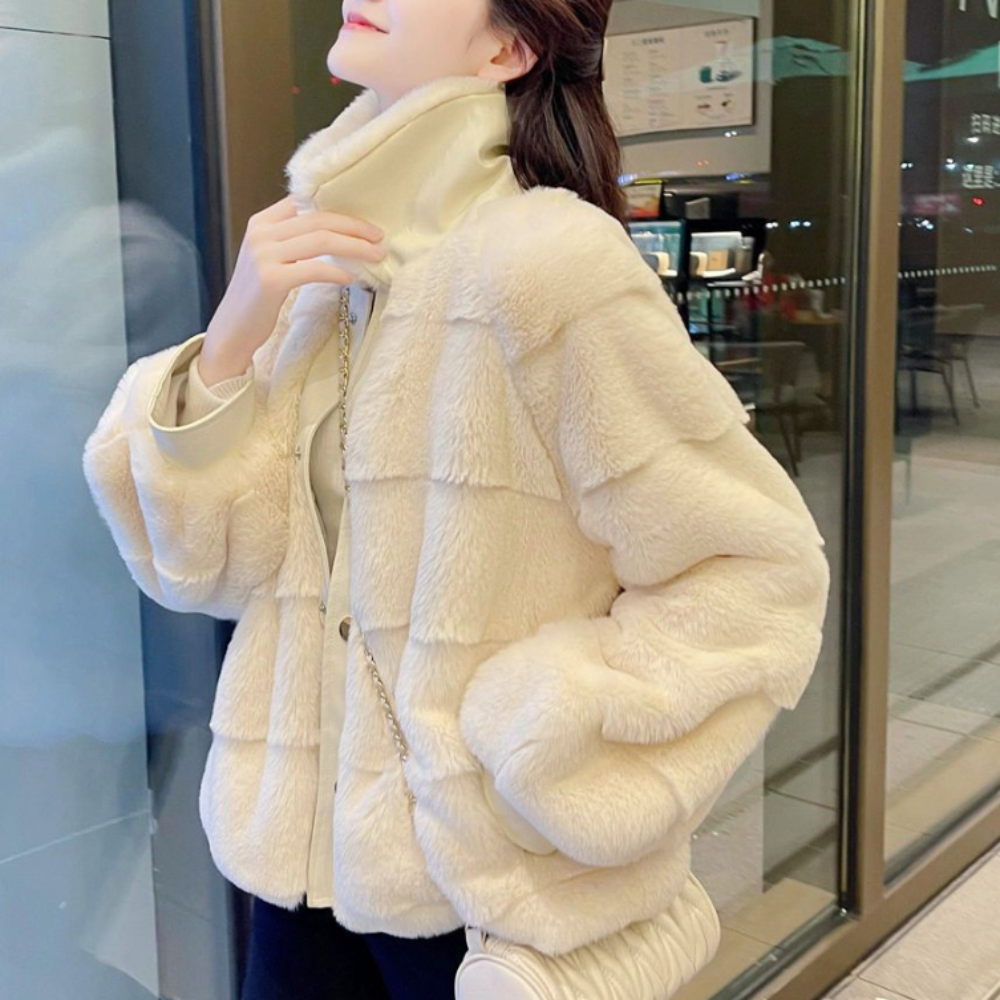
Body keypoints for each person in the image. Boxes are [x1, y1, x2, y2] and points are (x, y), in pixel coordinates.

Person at [81, 0, 832, 996]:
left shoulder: (547, 264)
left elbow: (754, 569)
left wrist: (541, 747)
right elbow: (209, 568)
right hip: (299, 868)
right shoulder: (322, 272)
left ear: (510, 47)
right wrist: (231, 335)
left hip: (472, 890)